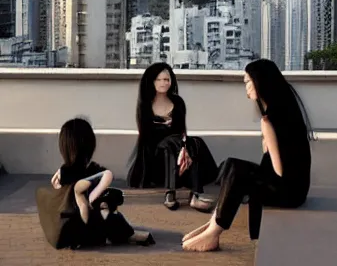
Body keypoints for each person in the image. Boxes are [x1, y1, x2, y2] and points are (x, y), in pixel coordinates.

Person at [182, 58, 314, 252]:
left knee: (236, 168)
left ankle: (215, 231)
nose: (246, 87)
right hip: (296, 190)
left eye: (247, 82)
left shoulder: (270, 121)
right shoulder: (285, 112)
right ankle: (213, 223)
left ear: (260, 82)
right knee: (232, 166)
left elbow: (278, 172)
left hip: (289, 193)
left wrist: (266, 145)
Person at [47, 117, 154, 249]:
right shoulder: (90, 172)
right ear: (89, 145)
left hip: (64, 232)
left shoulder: (62, 173)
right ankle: (128, 234)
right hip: (86, 231)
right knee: (108, 205)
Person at [127, 62, 219, 212]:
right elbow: (148, 137)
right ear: (152, 81)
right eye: (159, 79)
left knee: (195, 142)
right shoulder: (145, 105)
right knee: (169, 143)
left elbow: (182, 131)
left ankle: (195, 195)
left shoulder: (178, 102)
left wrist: (184, 150)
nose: (164, 83)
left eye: (167, 79)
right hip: (157, 157)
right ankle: (171, 192)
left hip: (177, 152)